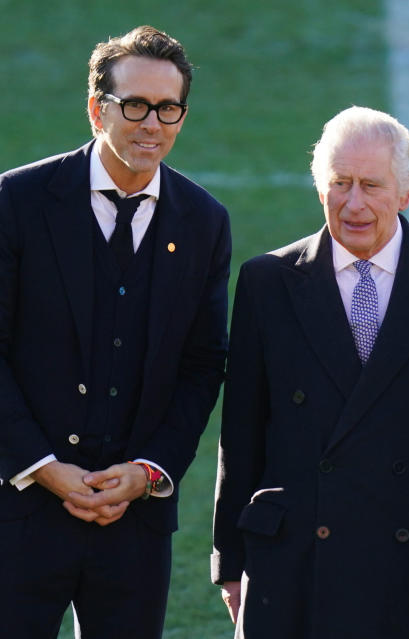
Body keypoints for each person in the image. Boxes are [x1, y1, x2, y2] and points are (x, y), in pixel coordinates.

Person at [211, 105, 409, 638]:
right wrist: (230, 561)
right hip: (290, 563)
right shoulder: (267, 282)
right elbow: (242, 431)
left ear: (407, 190)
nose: (354, 204)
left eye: (371, 185)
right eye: (339, 184)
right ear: (318, 187)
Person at [0, 25, 230, 639]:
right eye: (134, 106)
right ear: (97, 108)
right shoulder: (16, 202)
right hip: (19, 509)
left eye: (168, 108)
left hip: (135, 525)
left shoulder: (205, 221)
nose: (151, 124)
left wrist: (150, 470)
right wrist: (44, 467)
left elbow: (204, 363)